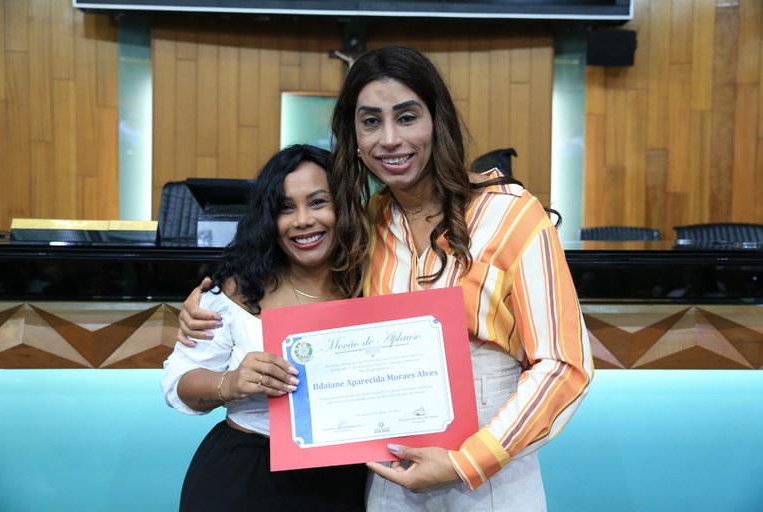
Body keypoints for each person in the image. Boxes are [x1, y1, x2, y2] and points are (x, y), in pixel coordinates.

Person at [179, 46, 593, 511]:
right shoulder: (365, 224)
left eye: (407, 117)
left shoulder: (511, 215)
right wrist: (211, 304)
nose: (390, 139)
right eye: (371, 122)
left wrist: (468, 461)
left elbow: (564, 365)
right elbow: (291, 270)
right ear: (353, 137)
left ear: (437, 121)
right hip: (387, 478)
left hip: (487, 474)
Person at [161, 144, 367, 512]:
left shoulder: (377, 283)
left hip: (349, 479)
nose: (302, 220)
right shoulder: (236, 290)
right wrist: (231, 382)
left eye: (318, 202)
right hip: (246, 475)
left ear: (345, 206)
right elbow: (178, 381)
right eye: (285, 208)